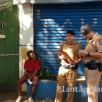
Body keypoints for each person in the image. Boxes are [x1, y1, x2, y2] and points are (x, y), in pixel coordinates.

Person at [55, 30, 82, 102]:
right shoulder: (63, 44)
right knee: (59, 88)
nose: (68, 37)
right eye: (67, 36)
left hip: (72, 69)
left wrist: (77, 62)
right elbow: (59, 53)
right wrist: (60, 57)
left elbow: (81, 57)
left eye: (70, 36)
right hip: (62, 69)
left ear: (73, 36)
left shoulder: (78, 45)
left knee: (70, 89)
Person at [78, 24, 102, 102]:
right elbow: (90, 53)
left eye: (85, 35)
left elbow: (100, 55)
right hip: (88, 68)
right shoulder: (89, 40)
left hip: (94, 69)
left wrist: (87, 54)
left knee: (91, 92)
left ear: (90, 31)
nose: (84, 37)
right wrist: (82, 55)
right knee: (92, 92)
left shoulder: (98, 39)